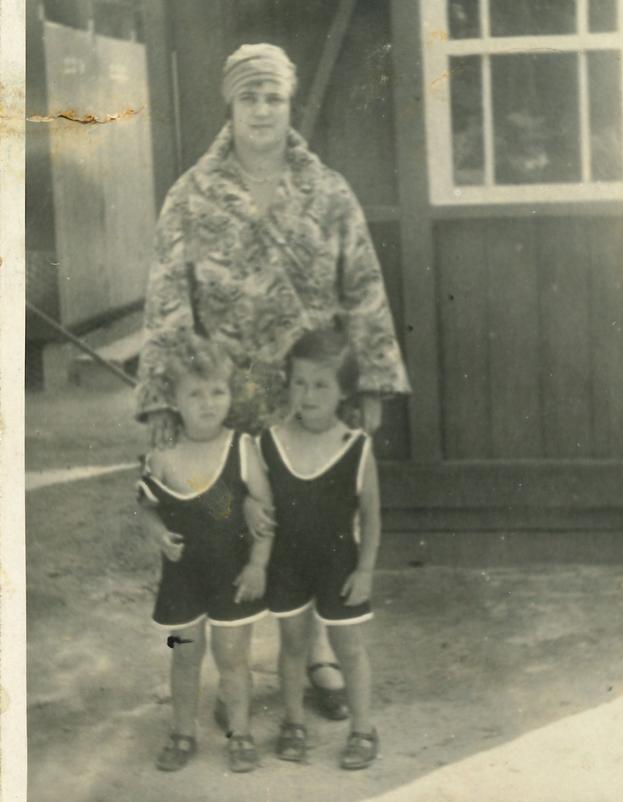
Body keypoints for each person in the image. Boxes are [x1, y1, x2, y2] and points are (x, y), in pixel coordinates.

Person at [136, 42, 410, 718]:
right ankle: (233, 664)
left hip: (306, 398)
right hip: (219, 400)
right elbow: (167, 300)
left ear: (289, 106)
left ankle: (313, 655)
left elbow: (363, 286)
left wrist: (369, 382)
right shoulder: (192, 195)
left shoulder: (328, 190)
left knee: (309, 524)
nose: (262, 110)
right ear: (229, 105)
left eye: (274, 97)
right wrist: (163, 405)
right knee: (228, 526)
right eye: (249, 96)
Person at [245, 327, 381, 769]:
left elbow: (373, 517)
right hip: (288, 565)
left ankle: (363, 729)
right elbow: (253, 494)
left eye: (321, 384)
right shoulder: (270, 442)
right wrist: (249, 504)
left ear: (344, 391)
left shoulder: (355, 446)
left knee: (349, 648)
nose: (307, 394)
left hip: (338, 567)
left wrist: (364, 571)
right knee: (293, 645)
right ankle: (293, 722)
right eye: (299, 382)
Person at [136, 333, 272, 774]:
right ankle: (182, 733)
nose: (208, 402)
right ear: (174, 400)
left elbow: (266, 512)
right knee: (185, 654)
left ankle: (241, 734)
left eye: (218, 391)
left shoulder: (242, 447)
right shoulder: (163, 456)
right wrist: (158, 534)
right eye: (195, 393)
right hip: (183, 578)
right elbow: (147, 506)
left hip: (233, 575)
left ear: (231, 393)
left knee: (232, 659)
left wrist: (257, 563)